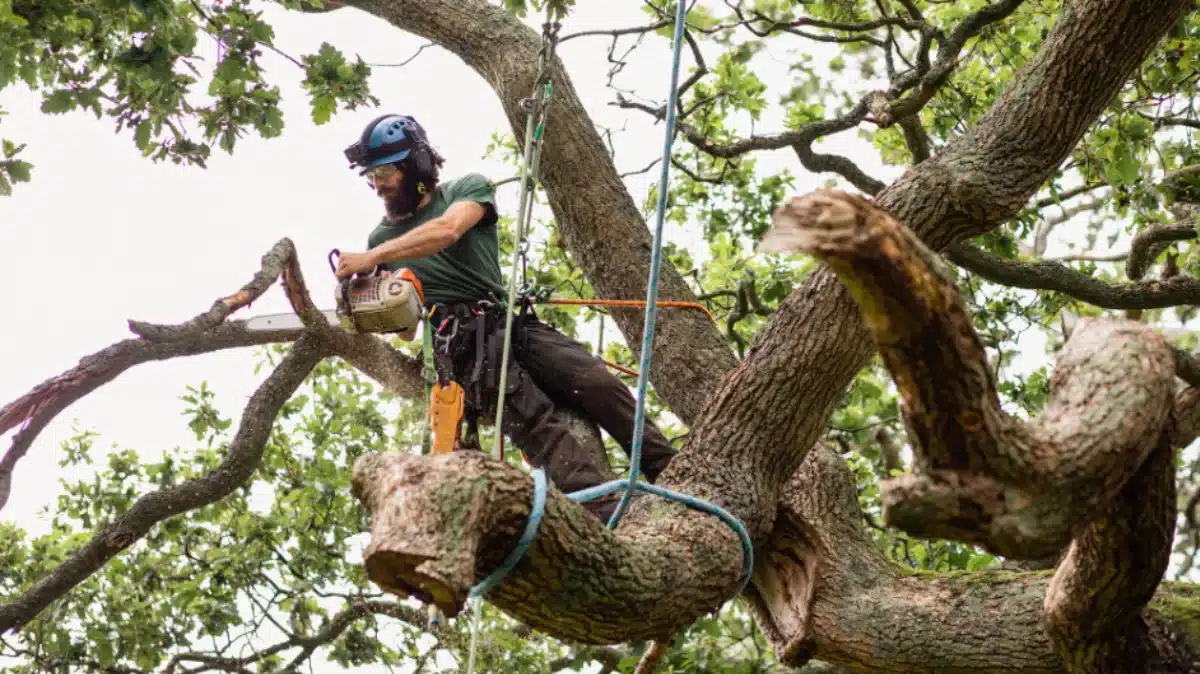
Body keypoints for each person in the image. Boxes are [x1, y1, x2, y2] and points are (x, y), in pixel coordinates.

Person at [333, 113, 677, 522]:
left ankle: (670, 470)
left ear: (417, 166)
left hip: (506, 321)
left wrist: (374, 258)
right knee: (532, 417)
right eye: (372, 176)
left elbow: (448, 231)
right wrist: (378, 300)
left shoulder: (465, 190)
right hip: (459, 341)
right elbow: (408, 332)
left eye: (387, 171)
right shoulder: (381, 238)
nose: (379, 185)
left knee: (595, 380)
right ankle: (603, 509)